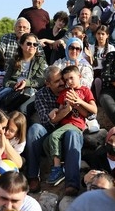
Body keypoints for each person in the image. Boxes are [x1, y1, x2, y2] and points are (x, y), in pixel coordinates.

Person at [25, 67, 83, 196]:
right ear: (47, 83)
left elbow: (89, 114)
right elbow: (47, 121)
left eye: (62, 79)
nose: (62, 83)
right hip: (50, 133)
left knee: (72, 134)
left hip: (70, 131)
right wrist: (65, 111)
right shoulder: (41, 95)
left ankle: (72, 183)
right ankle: (33, 176)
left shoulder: (73, 90)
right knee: (35, 129)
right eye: (57, 81)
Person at [45, 65, 96, 187]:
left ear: (80, 76)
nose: (69, 82)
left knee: (53, 137)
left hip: (76, 125)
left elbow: (94, 110)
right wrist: (56, 110)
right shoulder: (64, 93)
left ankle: (57, 169)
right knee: (47, 142)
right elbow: (60, 110)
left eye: (71, 78)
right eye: (66, 79)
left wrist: (79, 102)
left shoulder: (85, 91)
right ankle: (60, 165)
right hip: (64, 125)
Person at [0, 33, 47, 113]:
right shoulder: (13, 61)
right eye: (29, 43)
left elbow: (40, 81)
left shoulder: (40, 61)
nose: (32, 46)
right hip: (13, 90)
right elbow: (6, 81)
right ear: (21, 45)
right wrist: (16, 85)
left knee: (29, 94)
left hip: (29, 92)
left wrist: (26, 83)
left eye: (35, 44)